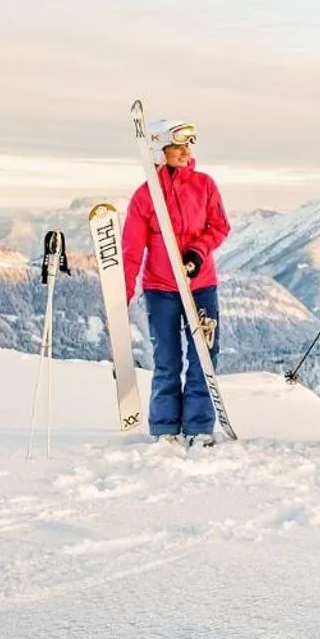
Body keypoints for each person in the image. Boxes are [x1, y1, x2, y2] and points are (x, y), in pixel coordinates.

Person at [123, 119, 231, 447]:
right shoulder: (145, 197)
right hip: (161, 289)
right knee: (167, 359)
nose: (186, 152)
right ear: (159, 151)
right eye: (177, 147)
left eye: (188, 146)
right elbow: (131, 250)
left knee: (202, 356)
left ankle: (199, 426)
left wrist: (197, 254)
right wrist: (122, 295)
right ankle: (165, 426)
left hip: (200, 286)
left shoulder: (205, 185)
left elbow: (220, 226)